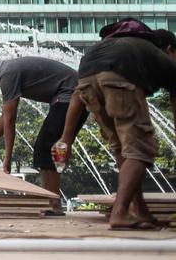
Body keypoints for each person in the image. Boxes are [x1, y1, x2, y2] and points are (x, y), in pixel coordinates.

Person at [56, 28, 176, 230]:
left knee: (122, 148)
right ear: (170, 49)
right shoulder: (162, 58)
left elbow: (77, 95)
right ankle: (120, 213)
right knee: (141, 148)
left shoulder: (122, 45)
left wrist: (65, 139)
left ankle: (139, 212)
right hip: (116, 76)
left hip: (86, 78)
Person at [0, 53, 86, 213]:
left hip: (71, 96)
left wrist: (7, 159)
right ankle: (51, 201)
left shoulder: (7, 73)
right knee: (47, 148)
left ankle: (52, 203)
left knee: (44, 148)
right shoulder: (8, 71)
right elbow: (4, 119)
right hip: (70, 96)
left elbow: (10, 120)